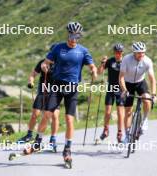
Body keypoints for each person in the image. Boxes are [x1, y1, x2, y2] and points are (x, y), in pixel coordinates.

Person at [24, 22, 97, 163]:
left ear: (79, 36)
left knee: (70, 119)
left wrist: (93, 71)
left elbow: (92, 66)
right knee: (47, 114)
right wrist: (45, 66)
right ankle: (37, 142)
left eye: (76, 35)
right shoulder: (58, 48)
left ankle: (67, 149)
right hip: (57, 86)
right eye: (71, 34)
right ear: (68, 34)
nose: (73, 38)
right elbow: (45, 62)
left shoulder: (83, 51)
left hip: (72, 88)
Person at [17, 44, 60, 151]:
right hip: (42, 92)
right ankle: (29, 135)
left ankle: (53, 139)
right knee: (35, 114)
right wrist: (30, 82)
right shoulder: (42, 62)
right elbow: (33, 74)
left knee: (54, 116)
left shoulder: (61, 64)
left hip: (55, 92)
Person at [119, 42, 157, 143]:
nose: (141, 55)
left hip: (140, 82)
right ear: (134, 53)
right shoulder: (126, 59)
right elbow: (121, 77)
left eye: (143, 53)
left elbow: (152, 79)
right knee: (128, 111)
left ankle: (144, 120)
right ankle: (127, 135)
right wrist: (124, 90)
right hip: (127, 84)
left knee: (147, 99)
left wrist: (153, 94)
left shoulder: (147, 61)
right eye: (139, 53)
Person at [97, 43, 125, 143]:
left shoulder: (125, 62)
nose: (118, 54)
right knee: (107, 111)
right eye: (116, 52)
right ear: (114, 52)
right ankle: (106, 130)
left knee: (120, 112)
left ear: (122, 52)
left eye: (120, 52)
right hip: (110, 88)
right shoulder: (110, 61)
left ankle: (120, 133)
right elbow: (99, 72)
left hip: (120, 89)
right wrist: (102, 63)